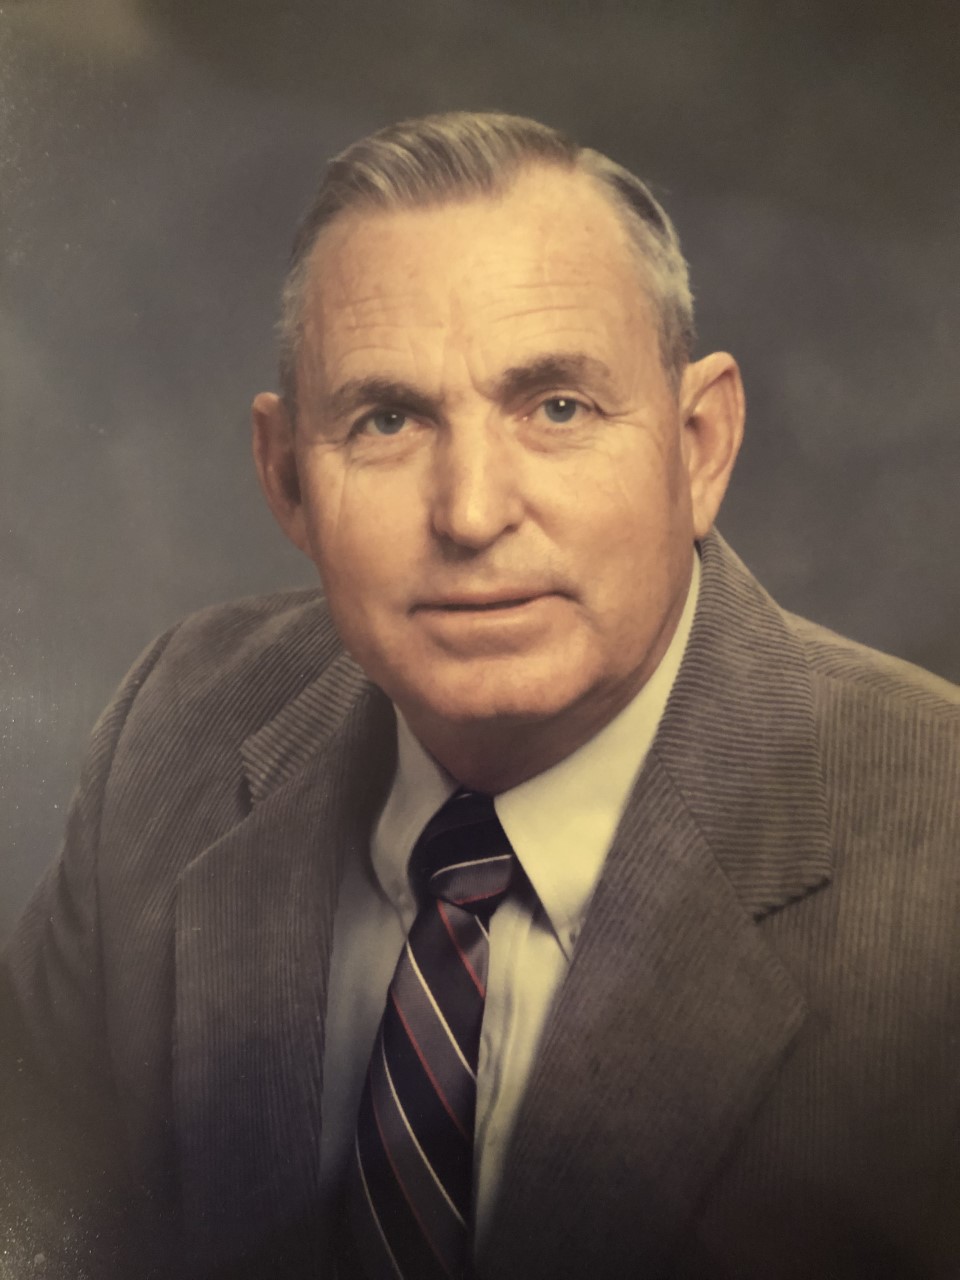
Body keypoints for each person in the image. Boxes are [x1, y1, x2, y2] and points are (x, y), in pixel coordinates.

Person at [1, 111, 958, 1280]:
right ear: (287, 477)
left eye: (557, 407)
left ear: (699, 445)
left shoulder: (939, 855)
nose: (471, 511)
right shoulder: (175, 730)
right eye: (388, 420)